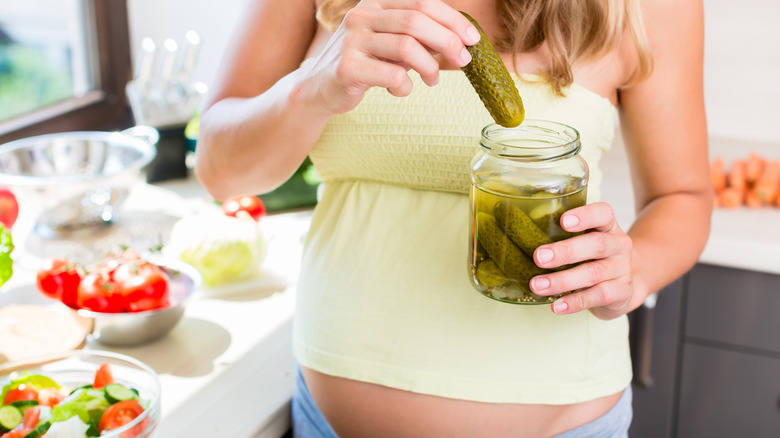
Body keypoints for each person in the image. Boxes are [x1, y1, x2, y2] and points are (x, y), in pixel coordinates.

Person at [195, 0, 712, 436]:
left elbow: (682, 195)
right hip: (328, 421)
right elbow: (220, 171)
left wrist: (633, 269)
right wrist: (312, 86)